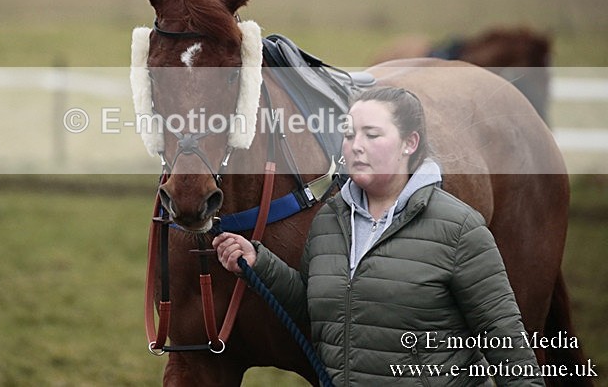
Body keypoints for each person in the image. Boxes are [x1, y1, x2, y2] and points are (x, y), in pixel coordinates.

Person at [213, 86, 543, 386]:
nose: (356, 146)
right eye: (349, 134)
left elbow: (506, 343)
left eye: (372, 135)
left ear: (409, 143)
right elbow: (321, 312)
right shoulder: (330, 220)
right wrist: (260, 263)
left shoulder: (458, 229)